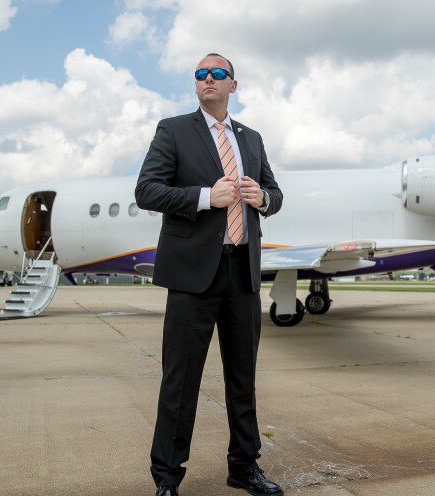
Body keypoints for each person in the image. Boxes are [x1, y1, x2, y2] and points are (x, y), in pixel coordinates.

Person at [135, 53, 284, 496]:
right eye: (200, 74)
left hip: (242, 273)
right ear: (195, 85)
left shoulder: (251, 139)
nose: (208, 79)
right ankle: (167, 478)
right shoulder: (174, 130)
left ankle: (243, 466)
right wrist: (204, 197)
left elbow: (275, 193)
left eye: (217, 73)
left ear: (233, 85)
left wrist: (262, 198)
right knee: (180, 382)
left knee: (243, 378)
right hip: (192, 275)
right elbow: (146, 190)